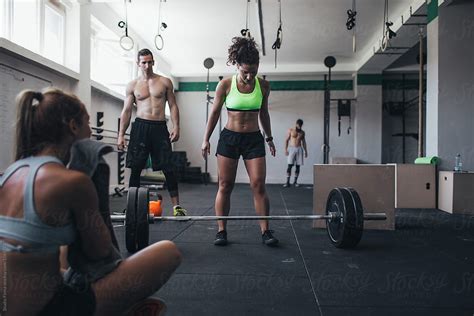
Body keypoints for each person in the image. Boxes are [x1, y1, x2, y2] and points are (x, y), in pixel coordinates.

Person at [0, 88, 181, 315]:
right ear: (73, 126)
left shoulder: (9, 174)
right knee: (168, 252)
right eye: (87, 122)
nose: (90, 131)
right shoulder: (71, 181)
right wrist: (95, 183)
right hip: (52, 309)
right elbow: (100, 253)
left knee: (61, 248)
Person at [201, 36, 279, 247]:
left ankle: (265, 231)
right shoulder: (225, 84)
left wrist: (269, 138)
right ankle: (221, 231)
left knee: (258, 184)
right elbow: (214, 113)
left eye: (253, 71)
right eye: (245, 71)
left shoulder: (263, 85)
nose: (249, 75)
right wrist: (205, 139)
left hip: (254, 139)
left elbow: (264, 113)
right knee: (225, 185)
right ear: (237, 65)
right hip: (230, 138)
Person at [118, 48, 187, 216]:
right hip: (140, 127)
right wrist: (121, 134)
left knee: (168, 167)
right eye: (144, 62)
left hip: (159, 127)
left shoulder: (164, 82)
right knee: (136, 168)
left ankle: (176, 207)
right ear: (138, 63)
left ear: (153, 62)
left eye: (149, 62)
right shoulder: (132, 85)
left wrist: (176, 126)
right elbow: (126, 111)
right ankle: (132, 206)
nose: (147, 65)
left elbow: (173, 106)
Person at [283, 118, 308, 187]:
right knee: (290, 165)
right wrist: (285, 149)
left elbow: (304, 142)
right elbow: (286, 140)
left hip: (299, 148)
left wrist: (306, 151)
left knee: (298, 166)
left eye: (301, 126)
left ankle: (295, 182)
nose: (300, 127)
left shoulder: (302, 132)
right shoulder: (291, 130)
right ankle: (287, 182)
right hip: (291, 148)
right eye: (299, 125)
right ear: (296, 124)